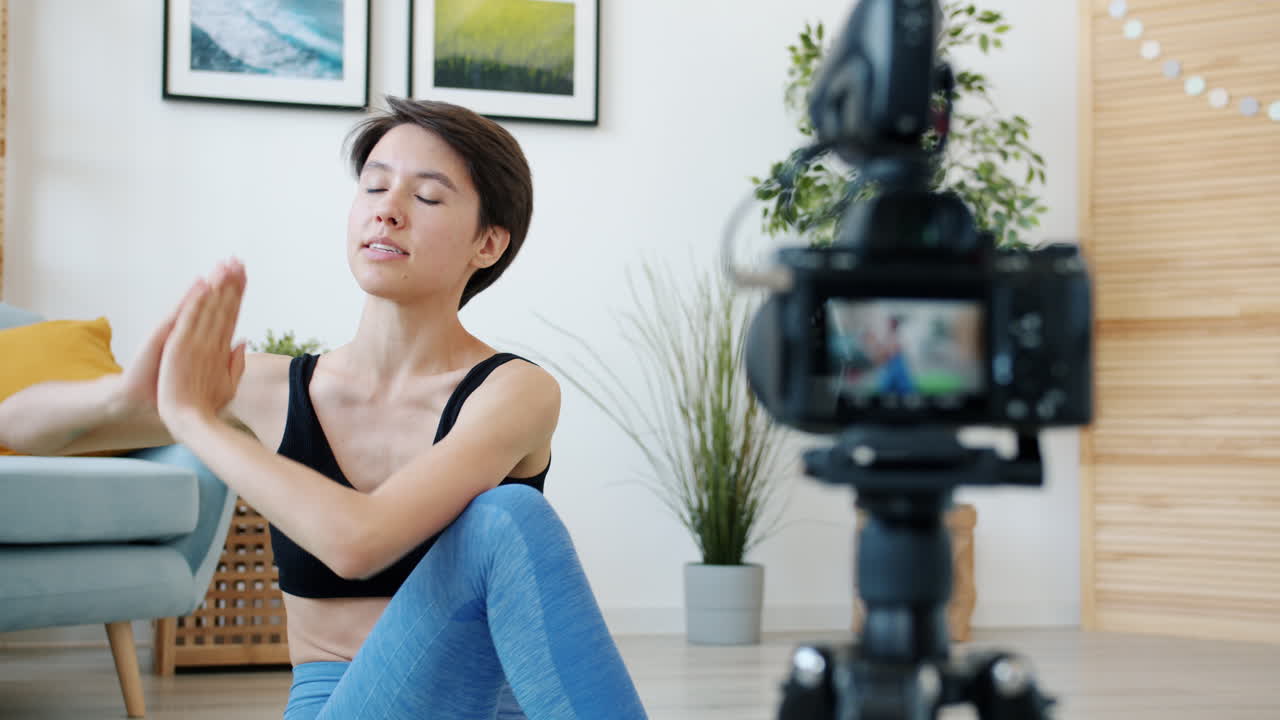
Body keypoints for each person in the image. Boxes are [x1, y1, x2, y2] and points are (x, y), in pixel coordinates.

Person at [0, 96, 648, 720]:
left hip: (498, 703)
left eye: (425, 196)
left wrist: (195, 419)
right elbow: (16, 425)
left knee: (509, 514)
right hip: (347, 703)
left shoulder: (513, 391)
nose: (388, 212)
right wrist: (124, 397)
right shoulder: (266, 390)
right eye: (373, 187)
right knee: (507, 513)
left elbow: (357, 542)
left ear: (488, 244)